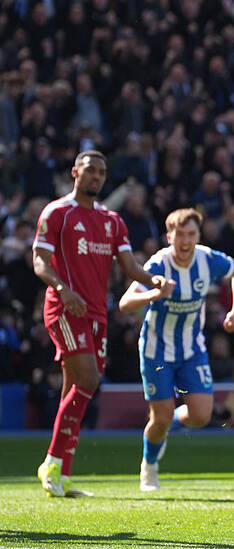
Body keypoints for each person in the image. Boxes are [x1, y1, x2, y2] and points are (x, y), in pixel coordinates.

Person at [33, 150, 174, 497]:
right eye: (90, 170)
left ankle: (62, 477)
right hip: (66, 309)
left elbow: (130, 267)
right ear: (75, 173)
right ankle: (50, 462)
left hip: (97, 314)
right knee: (89, 380)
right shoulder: (57, 212)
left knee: (75, 390)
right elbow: (39, 261)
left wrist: (153, 281)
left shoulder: (113, 221)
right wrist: (63, 289)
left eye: (101, 172)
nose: (96, 176)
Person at [118, 208, 234, 491]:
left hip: (191, 350)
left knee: (201, 416)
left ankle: (167, 422)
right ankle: (149, 467)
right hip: (157, 351)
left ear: (198, 236)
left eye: (191, 234)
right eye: (180, 235)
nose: (185, 241)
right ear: (169, 236)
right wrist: (155, 293)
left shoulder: (207, 259)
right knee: (159, 417)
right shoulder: (158, 265)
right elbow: (125, 303)